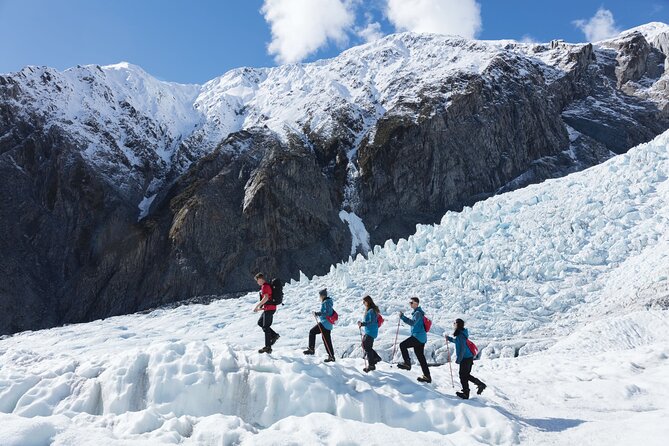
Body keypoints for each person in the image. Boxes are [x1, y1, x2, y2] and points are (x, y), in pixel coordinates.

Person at [446, 318, 486, 399]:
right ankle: (479, 385)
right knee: (465, 375)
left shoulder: (460, 335)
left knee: (462, 375)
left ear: (457, 325)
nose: (453, 324)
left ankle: (466, 393)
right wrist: (449, 338)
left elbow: (463, 349)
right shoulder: (461, 334)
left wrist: (459, 360)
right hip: (468, 358)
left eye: (454, 323)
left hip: (465, 358)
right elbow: (457, 342)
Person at [397, 297, 431, 383]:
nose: (410, 304)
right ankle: (427, 376)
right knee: (421, 357)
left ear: (416, 303)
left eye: (411, 302)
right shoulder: (418, 313)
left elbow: (412, 323)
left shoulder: (418, 313)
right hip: (421, 338)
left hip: (418, 337)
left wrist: (403, 317)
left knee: (402, 345)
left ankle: (407, 364)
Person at [303, 289, 335, 362]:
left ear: (322, 295)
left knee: (312, 332)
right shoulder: (328, 302)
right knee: (326, 340)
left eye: (320, 295)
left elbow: (328, 312)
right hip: (328, 324)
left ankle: (311, 349)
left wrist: (318, 314)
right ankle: (331, 356)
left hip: (324, 323)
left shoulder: (326, 302)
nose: (320, 297)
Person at [253, 273, 280, 354]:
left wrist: (257, 306)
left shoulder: (265, 286)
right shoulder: (265, 286)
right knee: (260, 323)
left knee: (266, 327)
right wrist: (261, 308)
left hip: (270, 309)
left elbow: (266, 298)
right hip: (268, 308)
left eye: (257, 280)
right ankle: (274, 335)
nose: (257, 282)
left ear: (260, 279)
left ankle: (268, 347)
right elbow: (267, 299)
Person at [357, 295, 383, 373]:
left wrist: (362, 324)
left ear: (367, 301)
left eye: (364, 302)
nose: (363, 303)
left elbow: (372, 321)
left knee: (367, 347)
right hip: (370, 331)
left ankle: (371, 365)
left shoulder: (371, 311)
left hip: (371, 331)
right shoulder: (371, 310)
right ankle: (375, 358)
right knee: (365, 345)